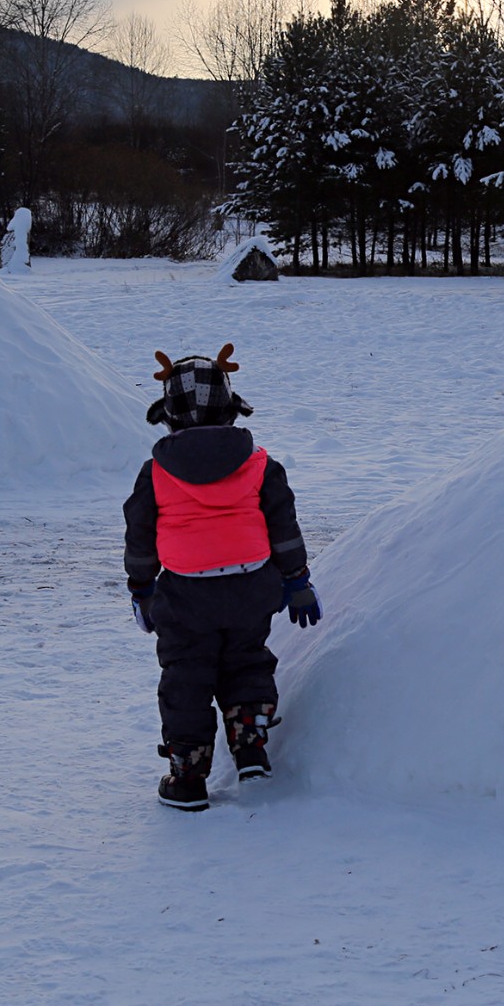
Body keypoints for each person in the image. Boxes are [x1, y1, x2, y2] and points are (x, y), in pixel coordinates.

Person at [124, 344, 320, 811]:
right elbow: (283, 527)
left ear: (167, 416)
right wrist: (296, 580)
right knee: (245, 660)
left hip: (186, 593)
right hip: (252, 586)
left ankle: (188, 776)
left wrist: (142, 588)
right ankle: (250, 747)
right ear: (231, 409)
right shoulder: (259, 464)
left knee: (186, 675)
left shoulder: (155, 475)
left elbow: (141, 538)